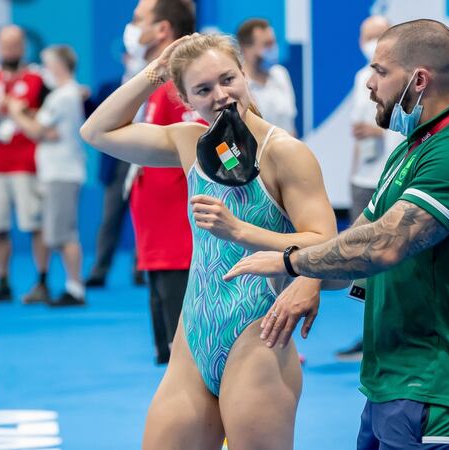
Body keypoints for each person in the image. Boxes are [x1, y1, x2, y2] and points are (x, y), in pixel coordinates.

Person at [225, 19, 449, 449]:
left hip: (440, 382)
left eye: (380, 71)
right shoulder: (410, 149)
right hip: (391, 379)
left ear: (418, 80)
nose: (369, 85)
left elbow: (386, 244)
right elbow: (356, 241)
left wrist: (291, 262)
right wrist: (312, 277)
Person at [81, 33, 336, 449]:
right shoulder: (189, 143)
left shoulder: (285, 153)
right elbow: (97, 131)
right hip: (194, 336)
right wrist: (155, 72)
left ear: (244, 74)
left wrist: (241, 231)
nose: (221, 95)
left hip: (258, 335)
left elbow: (325, 245)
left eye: (228, 79)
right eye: (203, 89)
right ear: (184, 98)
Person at [121, 0, 206, 365]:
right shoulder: (148, 79)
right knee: (166, 358)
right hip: (154, 231)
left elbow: (208, 144)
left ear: (162, 30)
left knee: (185, 360)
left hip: (179, 235)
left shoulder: (185, 82)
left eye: (139, 20)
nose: (131, 27)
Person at [0, 25, 51, 305]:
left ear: (23, 46)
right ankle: (2, 281)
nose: (9, 51)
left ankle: (42, 280)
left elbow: (49, 116)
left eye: (14, 45)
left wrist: (22, 111)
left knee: (35, 225)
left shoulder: (38, 78)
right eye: (5, 45)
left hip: (27, 165)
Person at [336, 14, 401, 362]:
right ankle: (370, 334)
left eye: (377, 36)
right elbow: (358, 131)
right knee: (362, 264)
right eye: (366, 36)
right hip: (362, 179)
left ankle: (394, 332)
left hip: (391, 181)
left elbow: (406, 126)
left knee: (391, 259)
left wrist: (379, 133)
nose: (370, 43)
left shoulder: (403, 79)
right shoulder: (362, 77)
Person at [7, 45, 87, 307]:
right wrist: (36, 125)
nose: (43, 71)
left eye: (47, 65)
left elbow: (37, 130)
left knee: (64, 234)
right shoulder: (65, 95)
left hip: (61, 172)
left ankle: (75, 288)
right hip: (58, 171)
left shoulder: (62, 96)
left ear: (59, 66)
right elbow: (43, 129)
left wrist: (17, 112)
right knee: (61, 232)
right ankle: (73, 286)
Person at [83, 54, 144, 288]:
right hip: (118, 160)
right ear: (124, 58)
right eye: (131, 54)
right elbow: (94, 120)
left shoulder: (157, 87)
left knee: (144, 217)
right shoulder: (109, 87)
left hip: (148, 156)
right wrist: (85, 101)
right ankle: (100, 269)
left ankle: (141, 268)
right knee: (110, 218)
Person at [237, 18, 297, 135]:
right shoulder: (238, 85)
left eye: (274, 42)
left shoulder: (281, 74)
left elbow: (291, 128)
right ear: (245, 49)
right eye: (267, 44)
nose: (273, 49)